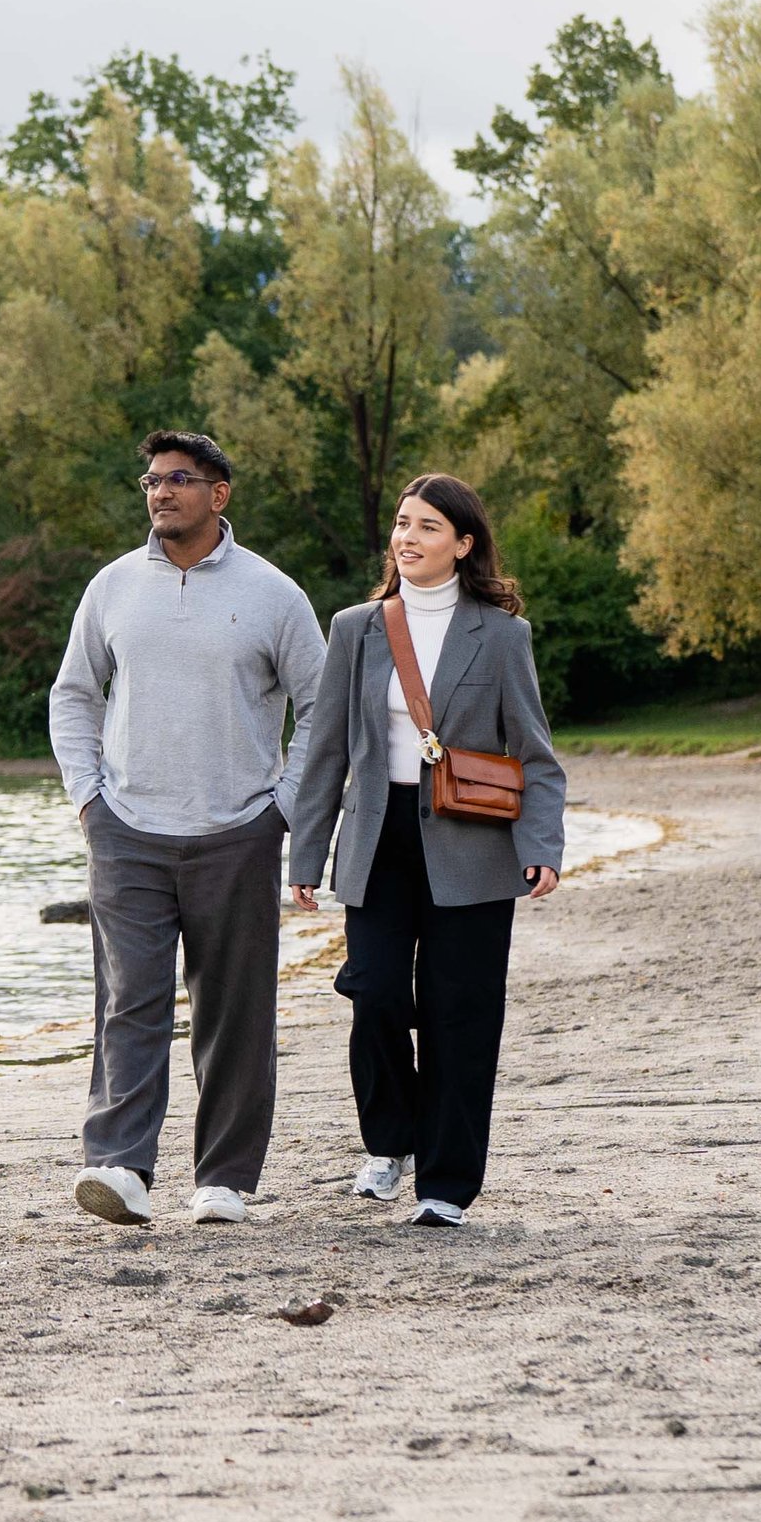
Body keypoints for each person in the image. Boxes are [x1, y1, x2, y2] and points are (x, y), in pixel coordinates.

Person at [45, 430, 328, 1228]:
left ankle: (225, 1180)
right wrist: (88, 800)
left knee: (233, 1010)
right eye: (151, 480)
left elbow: (320, 708)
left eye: (179, 479)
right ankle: (119, 1166)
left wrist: (283, 804)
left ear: (219, 493)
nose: (161, 492)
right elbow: (73, 695)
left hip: (238, 828)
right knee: (129, 999)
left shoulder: (274, 593)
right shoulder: (111, 587)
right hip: (127, 827)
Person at [284, 473, 568, 1228]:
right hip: (377, 837)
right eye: (403, 524)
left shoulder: (503, 635)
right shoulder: (357, 627)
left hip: (473, 841)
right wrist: (305, 854)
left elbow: (536, 754)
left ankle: (445, 1185)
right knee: (373, 990)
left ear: (463, 544)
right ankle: (390, 1139)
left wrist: (541, 843)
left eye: (428, 527)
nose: (407, 537)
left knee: (461, 1012)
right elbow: (325, 752)